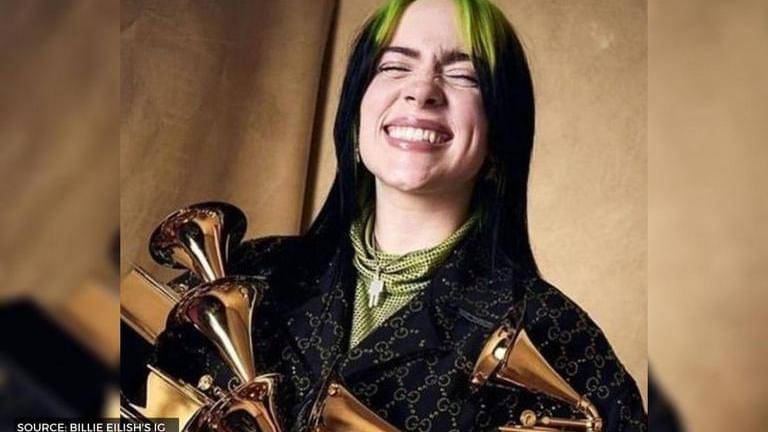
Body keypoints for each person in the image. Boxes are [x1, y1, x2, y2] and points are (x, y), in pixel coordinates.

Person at [153, 0, 647, 430]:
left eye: (464, 75)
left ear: (500, 134)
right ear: (356, 114)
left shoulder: (556, 336)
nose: (422, 90)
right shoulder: (238, 279)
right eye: (394, 66)